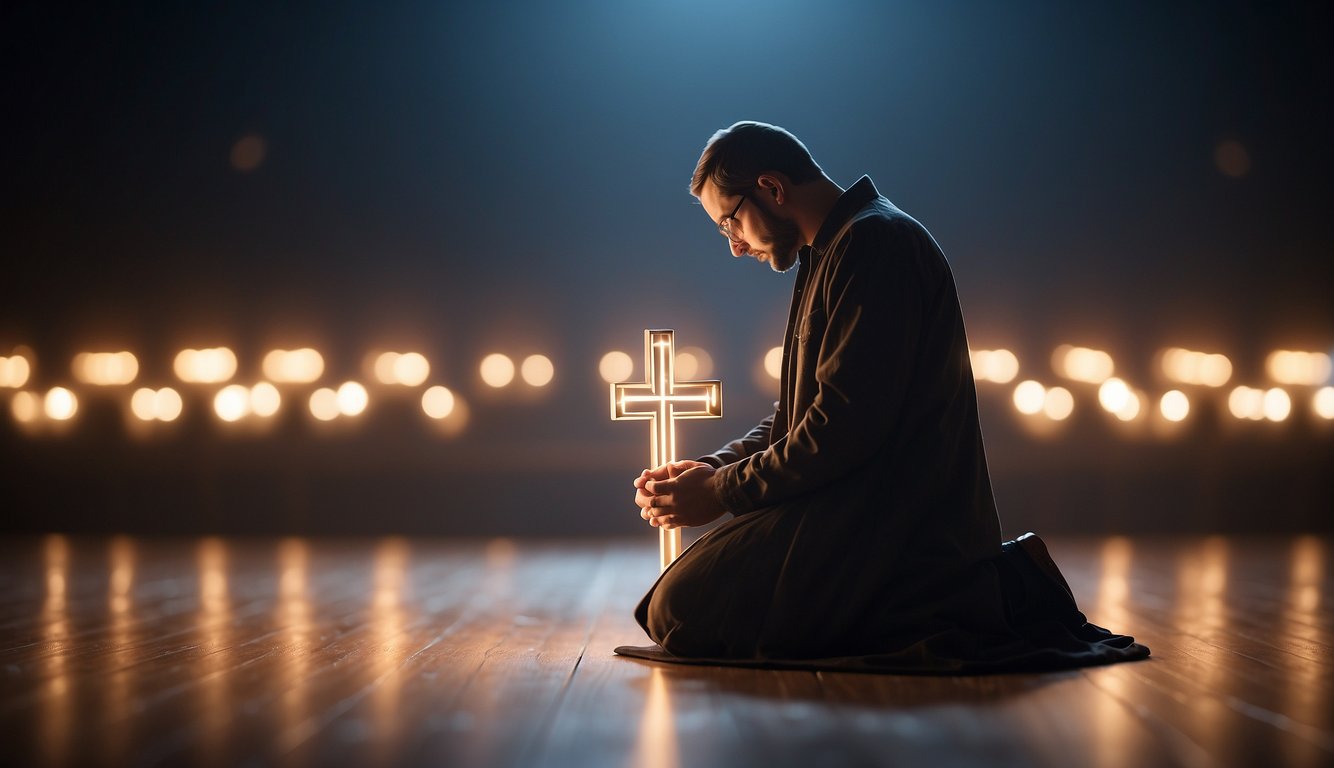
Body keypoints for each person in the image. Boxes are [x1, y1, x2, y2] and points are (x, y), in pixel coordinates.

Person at [614, 122, 1149, 672]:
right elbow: (798, 415)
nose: (734, 245)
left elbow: (841, 429)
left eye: (730, 221)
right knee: (678, 602)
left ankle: (978, 591)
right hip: (848, 506)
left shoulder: (876, 245)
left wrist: (723, 491)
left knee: (685, 608)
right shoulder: (828, 253)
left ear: (772, 188)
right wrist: (711, 468)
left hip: (895, 525)